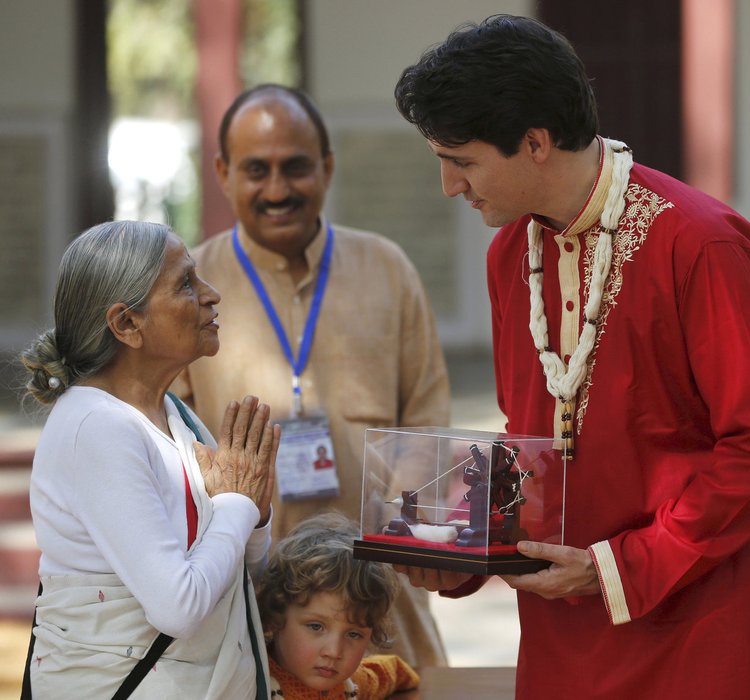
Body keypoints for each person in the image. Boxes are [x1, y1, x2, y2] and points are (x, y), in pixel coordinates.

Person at [394, 15, 750, 699]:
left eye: (463, 161)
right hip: (567, 638)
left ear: (535, 142)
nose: (450, 186)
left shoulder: (701, 244)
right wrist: (468, 551)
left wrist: (614, 569)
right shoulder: (511, 254)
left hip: (704, 634)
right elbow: (531, 437)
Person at [170, 83, 450, 668]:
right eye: (256, 170)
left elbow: (427, 427)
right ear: (222, 172)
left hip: (378, 609)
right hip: (252, 611)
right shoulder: (190, 291)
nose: (277, 190)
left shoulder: (387, 269)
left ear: (326, 167)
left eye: (295, 167)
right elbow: (173, 455)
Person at [21, 220, 278, 697]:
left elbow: (244, 571)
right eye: (185, 283)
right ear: (127, 324)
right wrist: (237, 504)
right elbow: (178, 608)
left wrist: (255, 509)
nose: (211, 294)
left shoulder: (175, 415)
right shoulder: (96, 426)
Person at [257, 513, 420, 699]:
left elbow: (393, 671)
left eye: (354, 634)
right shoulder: (248, 684)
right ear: (274, 618)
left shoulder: (356, 683)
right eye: (316, 626)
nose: (334, 652)